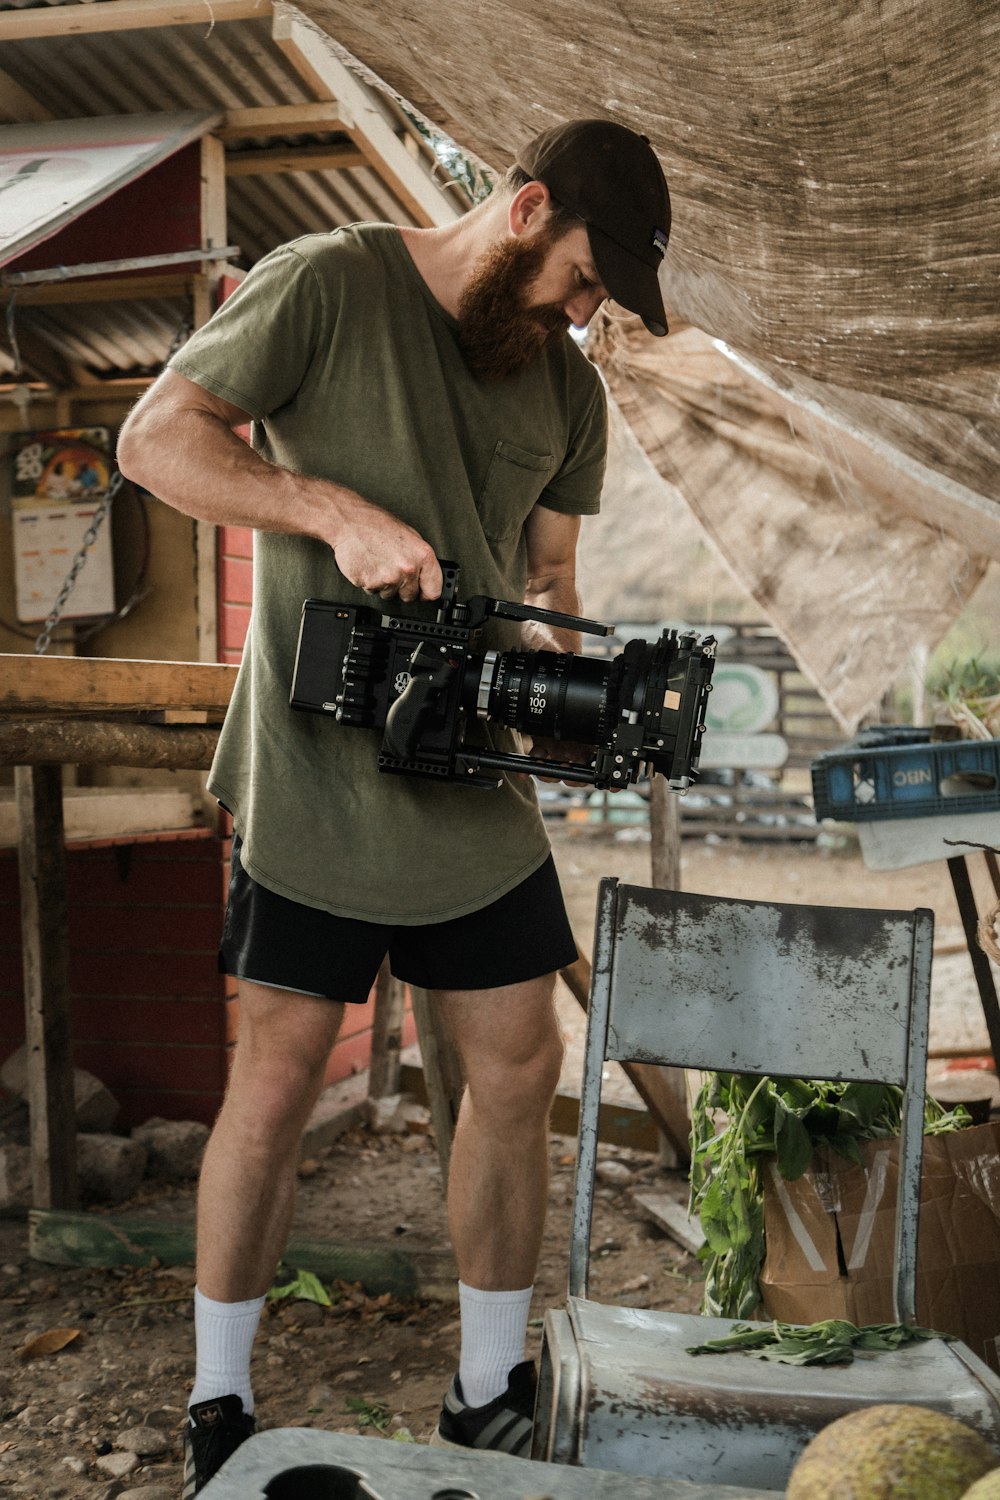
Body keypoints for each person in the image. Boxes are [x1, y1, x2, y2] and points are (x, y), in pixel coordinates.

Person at [116, 116, 672, 1497]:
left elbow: (548, 578)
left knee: (519, 1064)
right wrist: (329, 511)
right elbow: (153, 442)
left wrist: (566, 678)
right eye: (584, 281)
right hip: (314, 772)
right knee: (279, 1080)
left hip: (468, 775)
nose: (585, 316)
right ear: (526, 210)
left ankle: (486, 1391)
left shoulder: (565, 388)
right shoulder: (329, 282)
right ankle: (221, 1405)